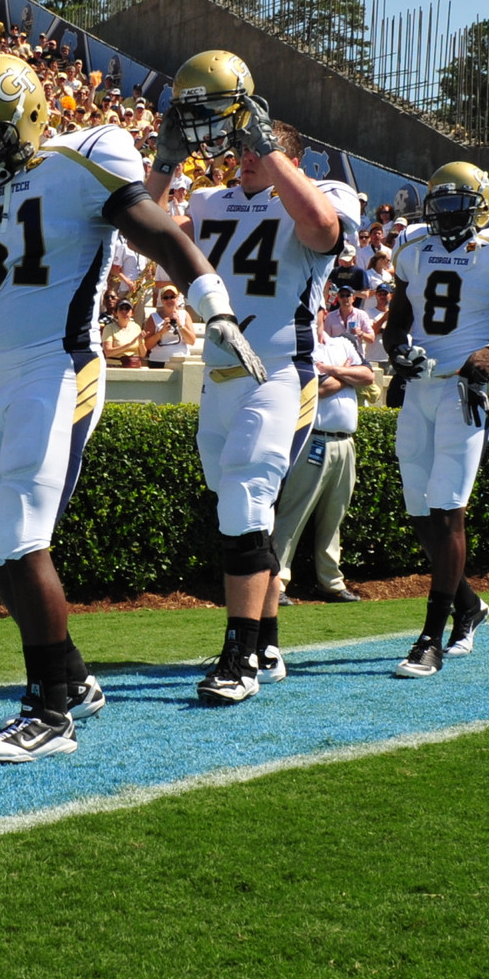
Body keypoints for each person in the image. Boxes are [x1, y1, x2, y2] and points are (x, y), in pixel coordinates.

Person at [0, 52, 257, 760]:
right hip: (4, 371)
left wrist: (213, 305)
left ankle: (48, 712)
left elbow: (160, 233)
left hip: (62, 366)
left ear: (26, 121)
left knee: (20, 531)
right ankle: (69, 674)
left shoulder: (82, 161)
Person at [163, 52, 356, 703]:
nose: (245, 155)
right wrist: (164, 161)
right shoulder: (210, 200)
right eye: (242, 146)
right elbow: (145, 231)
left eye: (257, 145)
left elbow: (322, 229)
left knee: (245, 498)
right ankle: (267, 642)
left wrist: (269, 148)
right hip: (219, 377)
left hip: (280, 373)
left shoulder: (323, 195)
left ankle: (238, 655)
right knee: (242, 511)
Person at [382, 162, 489, 673]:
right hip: (419, 388)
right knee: (419, 512)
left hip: (464, 391)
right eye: (440, 203)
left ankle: (430, 638)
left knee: (447, 508)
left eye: (457, 203)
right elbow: (396, 326)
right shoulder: (412, 246)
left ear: (480, 206)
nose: (447, 213)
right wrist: (398, 354)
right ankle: (469, 604)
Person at [270, 322, 375, 604]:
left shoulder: (344, 342)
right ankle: (276, 583)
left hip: (346, 442)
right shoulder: (301, 347)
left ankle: (331, 582)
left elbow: (367, 376)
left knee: (334, 517)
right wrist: (346, 375)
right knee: (294, 513)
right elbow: (316, 388)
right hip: (313, 440)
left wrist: (332, 370)